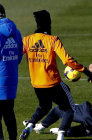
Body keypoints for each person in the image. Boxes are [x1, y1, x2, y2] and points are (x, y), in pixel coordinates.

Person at [19, 10, 92, 140]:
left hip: (37, 84)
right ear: (49, 23)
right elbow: (66, 60)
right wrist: (85, 71)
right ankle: (60, 136)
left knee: (45, 106)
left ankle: (30, 126)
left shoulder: (27, 40)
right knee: (69, 109)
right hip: (53, 83)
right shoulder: (53, 40)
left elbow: (17, 56)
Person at [0, 4, 23, 140]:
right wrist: (11, 64)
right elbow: (20, 53)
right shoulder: (17, 31)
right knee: (9, 112)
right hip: (11, 77)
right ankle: (13, 138)